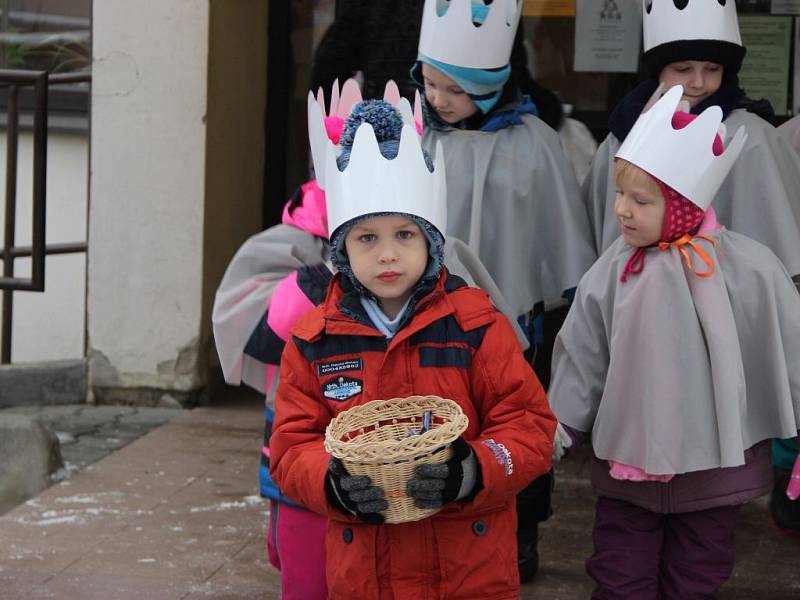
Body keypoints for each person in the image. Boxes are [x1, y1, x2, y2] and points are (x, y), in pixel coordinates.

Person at [212, 84, 534, 599]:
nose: (388, 255)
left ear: (431, 242)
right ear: (341, 249)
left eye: (405, 235)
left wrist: (474, 471)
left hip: (467, 570)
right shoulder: (314, 341)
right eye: (367, 238)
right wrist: (331, 482)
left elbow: (528, 426)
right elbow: (291, 446)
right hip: (366, 574)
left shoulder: (477, 326)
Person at [548, 85, 800, 598]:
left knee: (698, 574)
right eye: (619, 194)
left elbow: (787, 348)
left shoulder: (749, 268)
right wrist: (558, 430)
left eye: (640, 200)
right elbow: (582, 356)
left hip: (714, 470)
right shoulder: (611, 271)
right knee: (620, 573)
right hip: (628, 469)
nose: (621, 210)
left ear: (685, 204)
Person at [410, 0, 597, 579]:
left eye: (454, 89)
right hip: (428, 316)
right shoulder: (420, 137)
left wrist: (548, 307)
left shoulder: (536, 142)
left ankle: (521, 528)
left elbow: (554, 229)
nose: (439, 99)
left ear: (488, 88)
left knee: (514, 424)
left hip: (516, 322)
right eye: (432, 83)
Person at [583, 0, 800, 286]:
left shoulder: (752, 138)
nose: (698, 82)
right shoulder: (622, 137)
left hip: (725, 295)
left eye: (712, 68)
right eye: (683, 68)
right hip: (634, 288)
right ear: (657, 71)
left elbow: (775, 242)